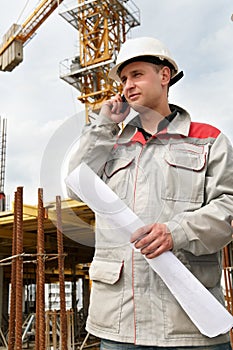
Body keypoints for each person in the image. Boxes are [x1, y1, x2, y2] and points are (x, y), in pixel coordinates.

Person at [68, 36, 233, 349]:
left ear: (165, 75)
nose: (128, 85)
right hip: (119, 324)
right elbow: (76, 184)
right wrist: (104, 125)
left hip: (190, 323)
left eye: (137, 74)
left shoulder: (208, 139)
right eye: (124, 78)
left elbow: (229, 205)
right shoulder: (110, 144)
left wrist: (177, 232)